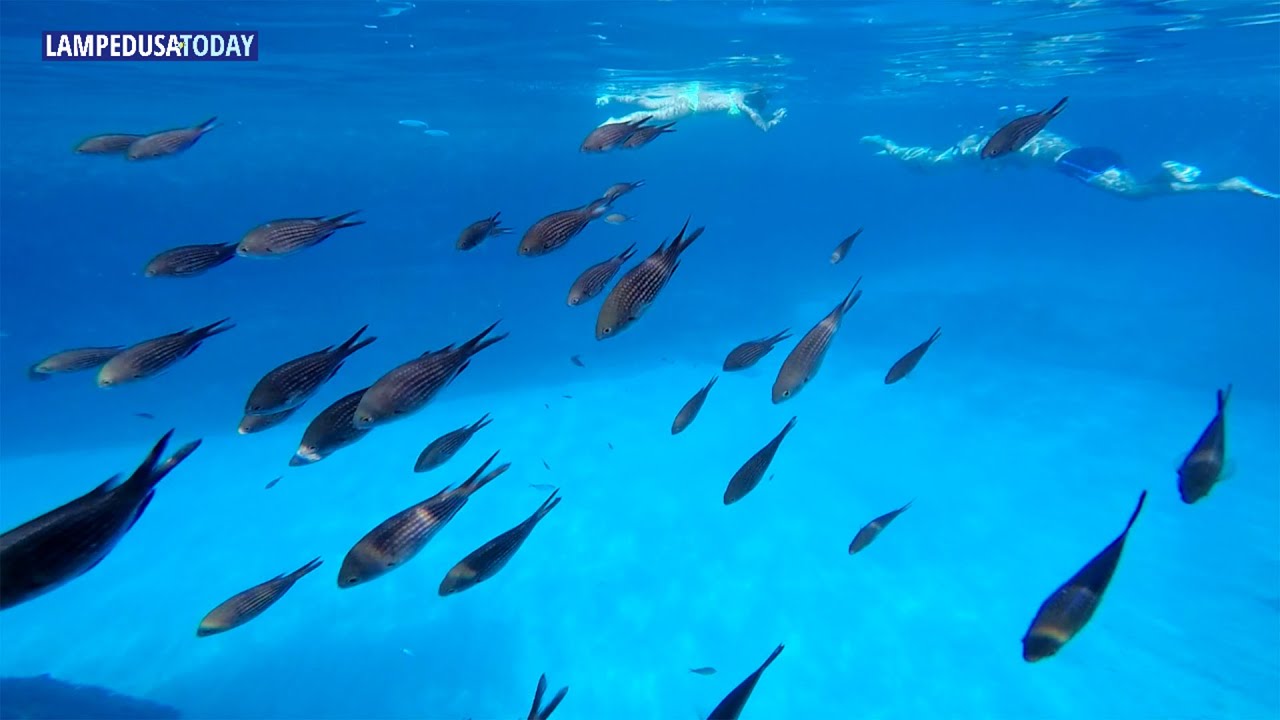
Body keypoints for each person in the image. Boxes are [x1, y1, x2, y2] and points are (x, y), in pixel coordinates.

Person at [860, 130, 1278, 201]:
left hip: (1071, 161)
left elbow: (930, 163)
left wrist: (891, 147)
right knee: (1136, 194)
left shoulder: (977, 151)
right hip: (1087, 152)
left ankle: (1169, 174)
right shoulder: (999, 142)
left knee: (1132, 195)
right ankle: (1227, 186)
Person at [595, 81, 787, 132]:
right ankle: (617, 122)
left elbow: (757, 119)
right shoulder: (743, 105)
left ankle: (610, 97)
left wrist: (770, 116)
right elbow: (763, 128)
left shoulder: (738, 96)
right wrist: (775, 120)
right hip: (690, 108)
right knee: (651, 115)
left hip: (687, 96)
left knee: (647, 101)